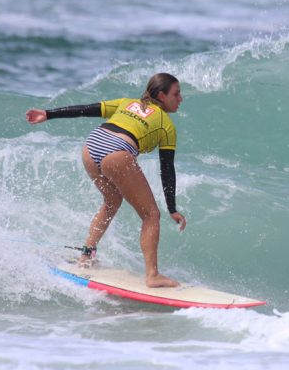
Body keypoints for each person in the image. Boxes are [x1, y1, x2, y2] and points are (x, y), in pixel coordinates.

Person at [26, 73, 186, 288]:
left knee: (112, 201)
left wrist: (48, 114)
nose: (180, 98)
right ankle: (152, 275)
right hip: (117, 151)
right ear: (161, 95)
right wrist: (172, 208)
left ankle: (86, 255)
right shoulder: (166, 125)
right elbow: (167, 169)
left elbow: (86, 109)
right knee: (151, 215)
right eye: (176, 94)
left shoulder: (126, 103)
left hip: (92, 145)